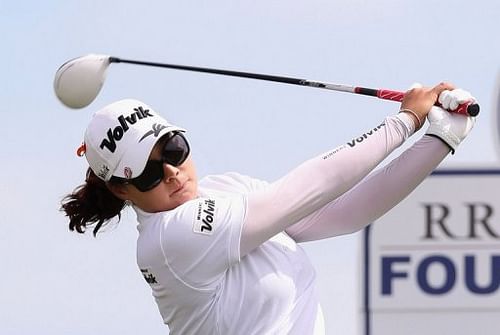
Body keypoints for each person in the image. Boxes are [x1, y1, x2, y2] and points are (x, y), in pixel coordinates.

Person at [61, 82, 476, 334]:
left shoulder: (226, 190)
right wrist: (402, 122)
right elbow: (304, 189)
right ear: (121, 190)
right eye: (148, 172)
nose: (172, 171)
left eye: (172, 148)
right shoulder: (169, 239)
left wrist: (438, 139)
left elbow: (345, 212)